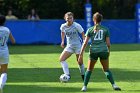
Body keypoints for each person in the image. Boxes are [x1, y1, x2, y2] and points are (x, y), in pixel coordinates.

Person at [78, 12, 121, 91]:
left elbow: (85, 43)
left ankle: (84, 87)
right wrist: (109, 52)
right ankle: (114, 85)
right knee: (106, 69)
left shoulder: (90, 29)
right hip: (104, 51)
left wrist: (81, 54)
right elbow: (108, 44)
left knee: (89, 70)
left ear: (93, 20)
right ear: (101, 20)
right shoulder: (105, 29)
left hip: (93, 51)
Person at [59, 12, 85, 81]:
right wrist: (62, 41)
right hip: (69, 46)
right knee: (61, 59)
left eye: (71, 18)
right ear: (65, 19)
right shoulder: (63, 26)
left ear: (73, 19)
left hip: (78, 46)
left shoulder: (76, 25)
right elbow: (62, 32)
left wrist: (84, 42)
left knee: (79, 62)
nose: (69, 20)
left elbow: (83, 34)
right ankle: (67, 75)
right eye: (68, 18)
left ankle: (83, 76)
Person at [0, 15, 15, 93]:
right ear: (4, 22)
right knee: (4, 71)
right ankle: (1, 85)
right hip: (4, 51)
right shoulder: (7, 29)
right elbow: (13, 41)